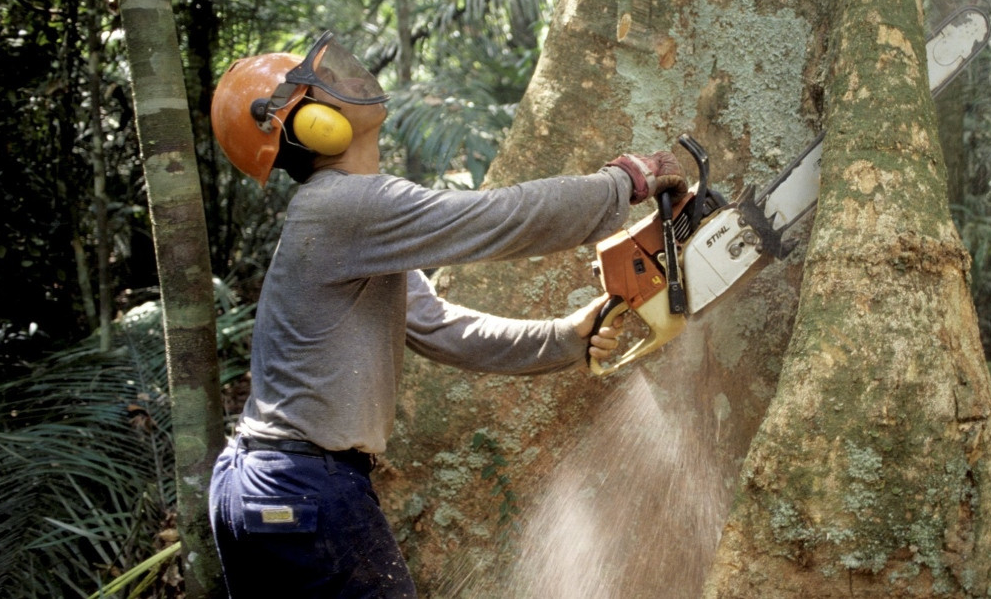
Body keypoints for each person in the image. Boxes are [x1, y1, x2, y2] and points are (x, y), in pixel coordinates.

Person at [205, 31, 687, 598]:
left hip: (260, 487)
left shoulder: (355, 225)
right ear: (312, 127)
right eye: (323, 86)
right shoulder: (344, 207)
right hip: (305, 486)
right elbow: (495, 218)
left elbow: (437, 327)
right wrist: (623, 183)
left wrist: (562, 339)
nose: (346, 80)